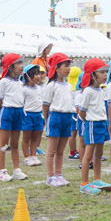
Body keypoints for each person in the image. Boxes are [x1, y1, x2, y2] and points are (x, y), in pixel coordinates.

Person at [77, 58, 111, 196]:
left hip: (101, 123)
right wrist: (89, 121)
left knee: (99, 154)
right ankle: (84, 183)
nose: (105, 75)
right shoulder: (88, 91)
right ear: (93, 75)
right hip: (92, 124)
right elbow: (82, 111)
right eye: (102, 72)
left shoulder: (100, 90)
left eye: (106, 72)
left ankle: (97, 179)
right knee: (88, 155)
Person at [42, 53, 75, 187]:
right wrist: (47, 119)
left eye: (69, 66)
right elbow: (45, 104)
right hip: (55, 117)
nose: (68, 69)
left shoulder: (68, 86)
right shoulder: (51, 85)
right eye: (65, 66)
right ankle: (50, 177)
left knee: (61, 150)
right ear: (56, 68)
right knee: (51, 151)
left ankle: (58, 174)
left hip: (67, 118)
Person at [0, 53, 28, 182]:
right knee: (3, 144)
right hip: (7, 112)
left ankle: (16, 170)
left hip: (18, 112)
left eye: (21, 63)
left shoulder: (20, 83)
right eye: (19, 63)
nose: (22, 66)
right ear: (10, 67)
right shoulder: (3, 82)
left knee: (14, 144)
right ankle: (2, 171)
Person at [20, 65, 45, 167]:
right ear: (27, 76)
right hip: (27, 115)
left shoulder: (39, 89)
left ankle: (34, 155)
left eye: (39, 74)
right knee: (26, 138)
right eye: (36, 74)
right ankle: (27, 157)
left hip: (38, 115)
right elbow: (21, 103)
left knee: (35, 137)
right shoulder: (24, 89)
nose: (39, 76)